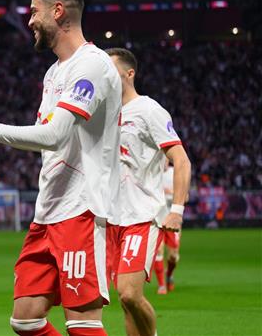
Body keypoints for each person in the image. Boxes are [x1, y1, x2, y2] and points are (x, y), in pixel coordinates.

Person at [0, 0, 120, 336]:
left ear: (58, 12)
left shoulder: (93, 65)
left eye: (34, 11)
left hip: (82, 209)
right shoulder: (54, 72)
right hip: (49, 212)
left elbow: (54, 136)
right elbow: (45, 136)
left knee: (83, 324)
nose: (28, 21)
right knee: (25, 319)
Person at [105, 48, 191, 336]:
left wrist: (176, 211)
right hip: (110, 219)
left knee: (129, 293)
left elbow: (180, 159)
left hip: (141, 215)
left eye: (112, 71)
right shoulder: (104, 115)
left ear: (130, 73)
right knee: (125, 301)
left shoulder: (149, 110)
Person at [153, 163, 182, 294]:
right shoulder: (152, 172)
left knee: (173, 256)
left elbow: (185, 196)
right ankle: (161, 285)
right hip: (157, 217)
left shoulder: (174, 172)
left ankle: (169, 274)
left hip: (172, 218)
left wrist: (171, 193)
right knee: (158, 251)